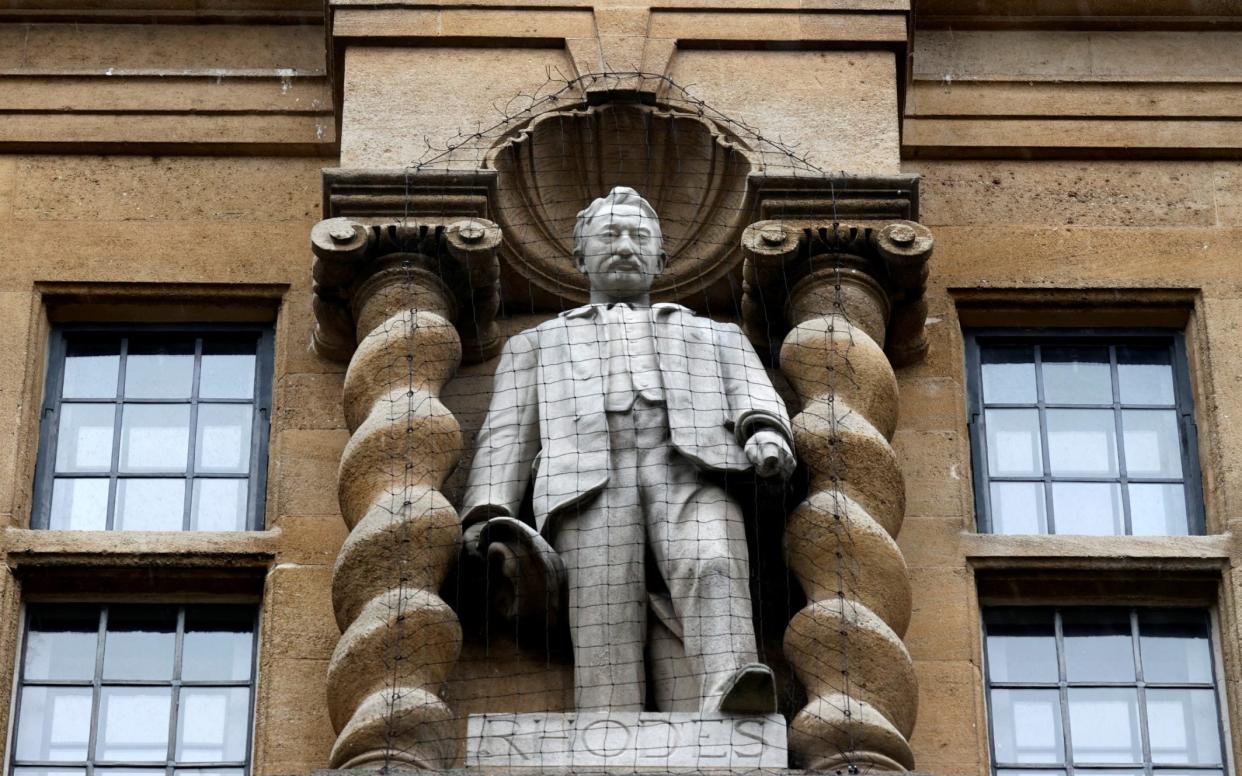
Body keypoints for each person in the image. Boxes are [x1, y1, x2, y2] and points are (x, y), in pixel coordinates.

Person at [460, 186, 796, 714]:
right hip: (586, 479)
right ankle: (606, 720)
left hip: (690, 467)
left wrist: (766, 431)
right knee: (604, 604)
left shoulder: (715, 333)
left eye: (639, 236)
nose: (623, 245)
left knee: (713, 560)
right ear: (578, 256)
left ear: (661, 258)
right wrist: (486, 511)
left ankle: (732, 688)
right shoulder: (537, 342)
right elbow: (506, 432)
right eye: (608, 235)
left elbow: (754, 390)